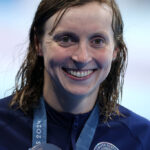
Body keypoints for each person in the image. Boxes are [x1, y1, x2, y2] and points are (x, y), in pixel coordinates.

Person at [0, 0, 150, 150]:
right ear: (38, 43)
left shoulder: (141, 138)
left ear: (115, 50)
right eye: (66, 39)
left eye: (97, 41)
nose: (82, 58)